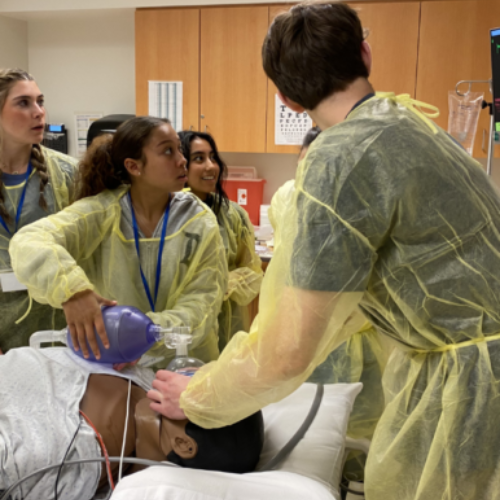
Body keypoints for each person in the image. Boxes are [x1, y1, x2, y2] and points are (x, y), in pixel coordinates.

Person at [146, 2, 500, 500]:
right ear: (366, 54)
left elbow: (289, 349)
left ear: (288, 98)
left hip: (470, 395)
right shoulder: (418, 128)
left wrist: (201, 396)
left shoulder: (338, 159)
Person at [10, 116, 226, 369]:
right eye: (168, 151)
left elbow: (203, 302)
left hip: (185, 365)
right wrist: (72, 290)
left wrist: (143, 334)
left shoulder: (199, 221)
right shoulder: (101, 213)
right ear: (134, 166)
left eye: (179, 148)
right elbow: (29, 241)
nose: (182, 160)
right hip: (117, 365)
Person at [270, 127, 388, 480]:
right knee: (305, 432)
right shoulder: (287, 198)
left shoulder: (368, 200)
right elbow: (294, 268)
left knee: (361, 432)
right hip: (305, 333)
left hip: (361, 335)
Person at [0, 346, 264, 499]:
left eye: (197, 386)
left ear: (183, 444)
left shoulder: (67, 463)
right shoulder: (139, 374)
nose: (188, 375)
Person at [0, 68, 78, 353]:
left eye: (40, 101)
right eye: (24, 103)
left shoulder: (69, 174)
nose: (39, 112)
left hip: (60, 331)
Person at [179, 131, 263, 352]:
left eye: (213, 157)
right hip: (181, 329)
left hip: (227, 325)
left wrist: (226, 283)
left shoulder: (233, 215)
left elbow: (253, 272)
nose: (210, 166)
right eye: (198, 158)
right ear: (180, 165)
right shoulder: (166, 215)